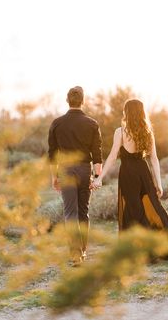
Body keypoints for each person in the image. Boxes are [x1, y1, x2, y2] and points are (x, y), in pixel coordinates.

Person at [92, 99, 168, 259]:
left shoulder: (120, 132)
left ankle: (139, 250)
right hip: (143, 173)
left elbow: (113, 157)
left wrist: (99, 178)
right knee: (154, 207)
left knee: (132, 209)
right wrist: (159, 183)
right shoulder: (148, 131)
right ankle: (165, 246)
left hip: (128, 174)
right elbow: (154, 159)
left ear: (126, 112)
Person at [48, 86, 102, 265]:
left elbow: (52, 153)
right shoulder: (92, 123)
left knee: (70, 212)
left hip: (66, 170)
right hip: (85, 170)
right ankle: (83, 251)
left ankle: (75, 254)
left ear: (67, 100)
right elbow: (97, 153)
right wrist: (97, 176)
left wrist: (54, 177)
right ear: (83, 101)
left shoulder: (57, 123)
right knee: (83, 212)